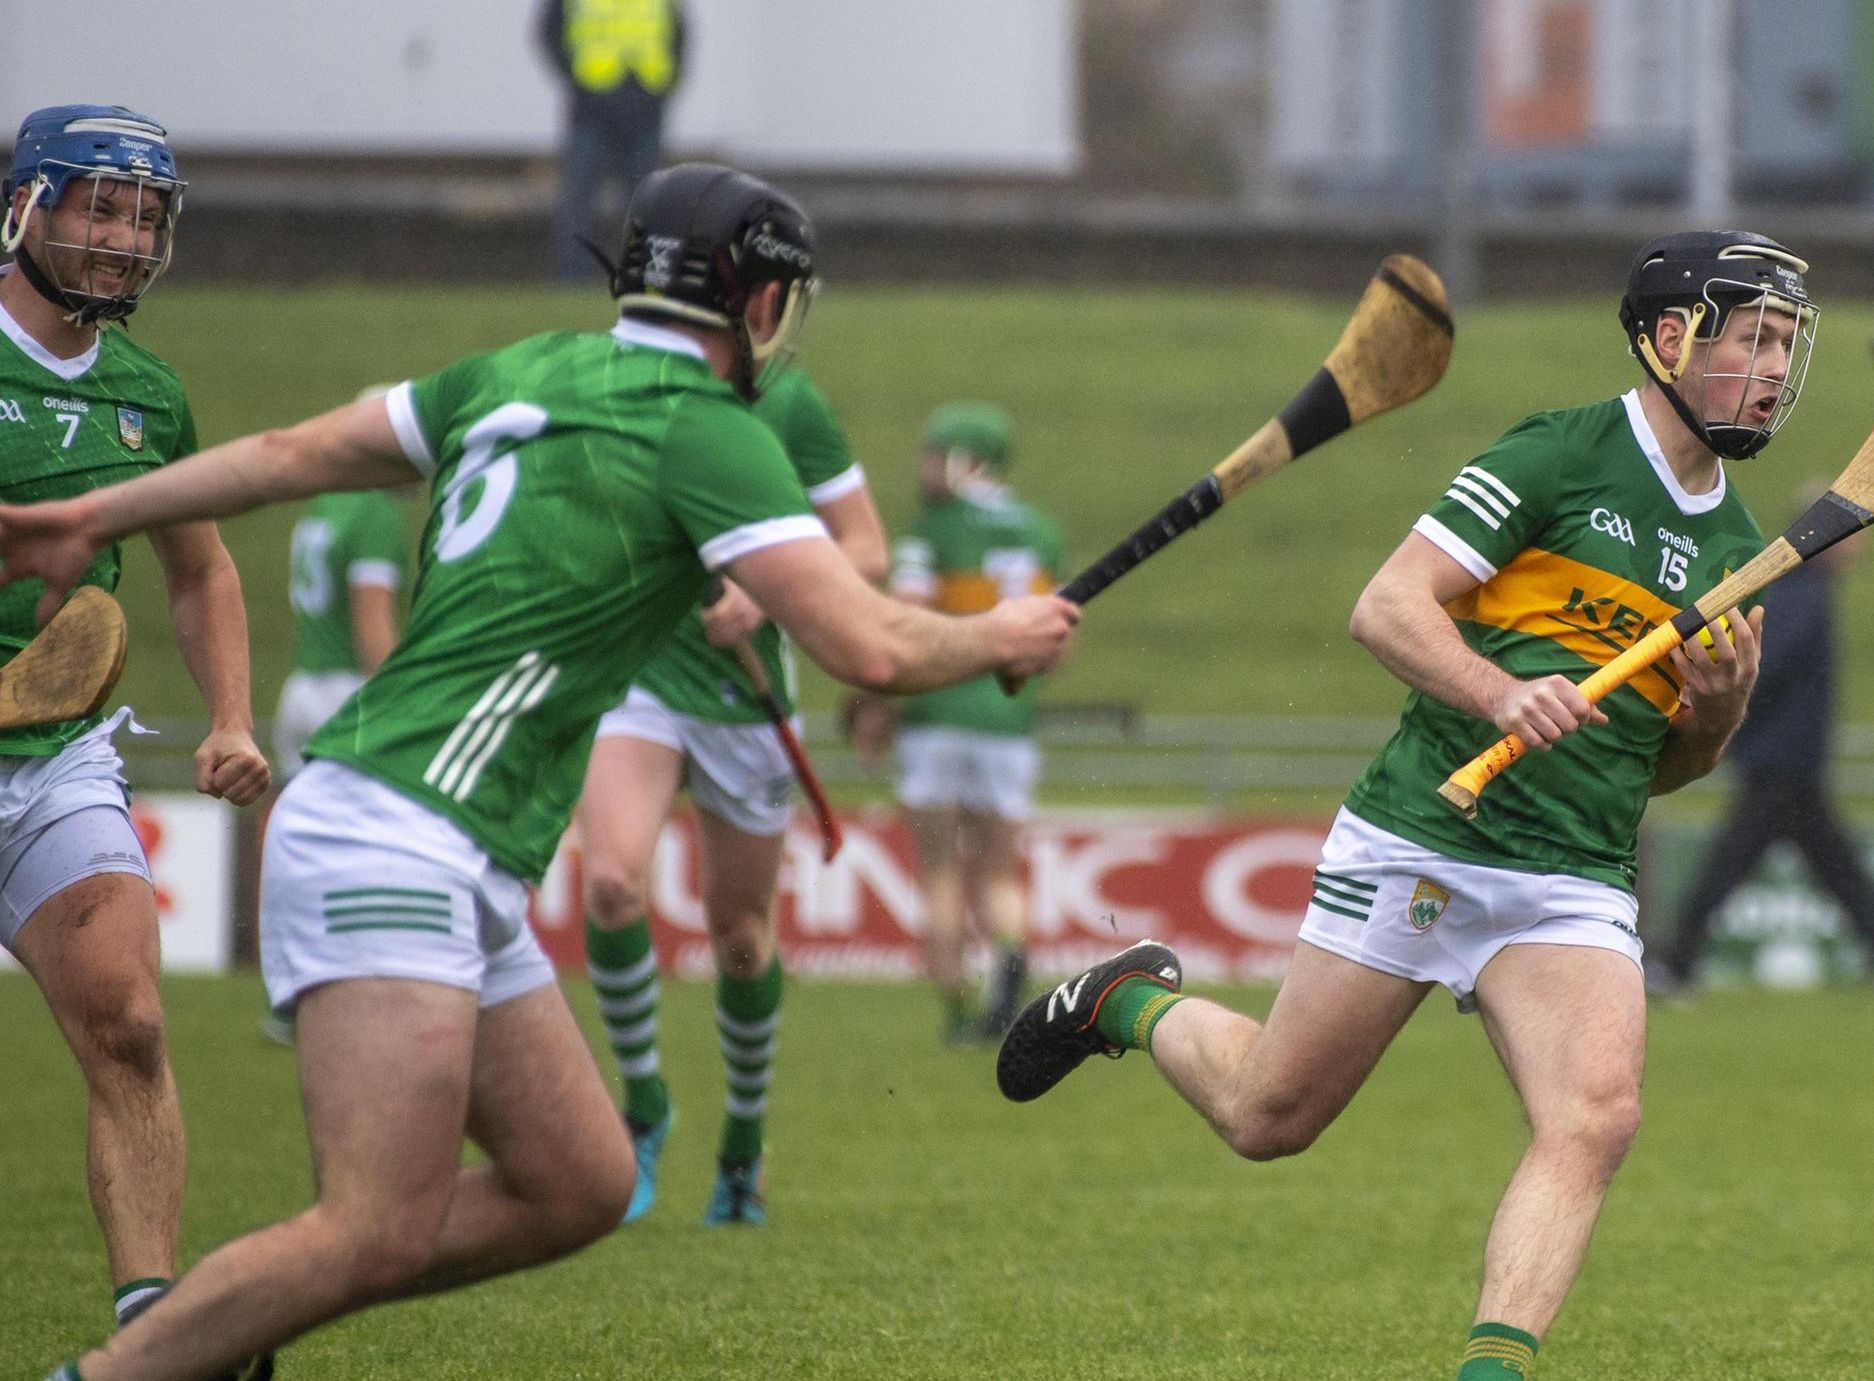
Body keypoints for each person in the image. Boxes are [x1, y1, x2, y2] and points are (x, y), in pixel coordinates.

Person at [9, 161, 1076, 1381]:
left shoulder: (517, 368)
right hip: (391, 829)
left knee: (580, 1181)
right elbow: (870, 644)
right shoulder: (704, 430)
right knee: (372, 1226)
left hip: (441, 841)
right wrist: (1004, 632)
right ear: (757, 303)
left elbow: (297, 448)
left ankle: (220, 1318)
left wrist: (94, 514)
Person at [999, 231, 1815, 1379]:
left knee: (1596, 1118)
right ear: (1671, 337)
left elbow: (1662, 768)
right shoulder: (1559, 452)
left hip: (1572, 872)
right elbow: (1384, 607)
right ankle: (1127, 999)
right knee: (1267, 1119)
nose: (1776, 366)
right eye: (1756, 337)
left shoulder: (1737, 549)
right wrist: (1497, 690)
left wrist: (1718, 713)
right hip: (1433, 829)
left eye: (1787, 343)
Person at [0, 102, 268, 1339]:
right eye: (99, 205)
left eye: (145, 212)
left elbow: (202, 570)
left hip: (52, 760)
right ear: (27, 208)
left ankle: (152, 1329)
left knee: (131, 1019)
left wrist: (231, 716)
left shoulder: (149, 396)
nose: (123, 235)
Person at [577, 362, 887, 1228]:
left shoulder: (791, 400)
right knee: (609, 884)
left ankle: (743, 1145)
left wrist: (760, 595)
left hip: (741, 700)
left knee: (742, 939)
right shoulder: (622, 381)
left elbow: (866, 549)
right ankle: (643, 1109)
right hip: (638, 673)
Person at [1643, 486, 1874, 1006]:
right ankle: (1672, 964)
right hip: (1781, 765)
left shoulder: (1803, 590)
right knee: (1753, 870)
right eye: (1852, 535)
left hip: (1787, 764)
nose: (1858, 547)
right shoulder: (1801, 594)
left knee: (1822, 869)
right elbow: (1764, 670)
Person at [852, 402, 1064, 1044]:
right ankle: (1010, 962)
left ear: (966, 459)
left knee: (941, 869)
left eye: (933, 454)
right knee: (1001, 872)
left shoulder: (931, 532)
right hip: (1008, 724)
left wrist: (876, 709)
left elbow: (903, 625)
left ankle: (957, 1010)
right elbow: (1059, 645)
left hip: (935, 721)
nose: (922, 469)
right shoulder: (1043, 533)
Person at [262, 464, 413, 1045]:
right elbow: (371, 618)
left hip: (302, 688)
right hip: (348, 693)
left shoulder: (328, 501)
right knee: (374, 843)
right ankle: (362, 988)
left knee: (299, 846)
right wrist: (398, 697)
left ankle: (286, 994)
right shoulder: (375, 512)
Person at [538, 0, 687, 281]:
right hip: (592, 106)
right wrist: (575, 76)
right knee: (578, 199)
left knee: (646, 203)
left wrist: (664, 86)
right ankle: (574, 279)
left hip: (644, 105)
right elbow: (549, 31)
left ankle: (644, 278)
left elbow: (678, 34)